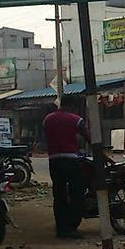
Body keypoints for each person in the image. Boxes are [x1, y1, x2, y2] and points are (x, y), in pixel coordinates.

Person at [43, 102, 89, 238]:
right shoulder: (76, 119)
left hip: (54, 160)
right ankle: (72, 225)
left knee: (59, 194)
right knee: (77, 192)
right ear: (73, 106)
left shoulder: (48, 119)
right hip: (71, 159)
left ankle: (61, 227)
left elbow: (46, 136)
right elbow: (88, 136)